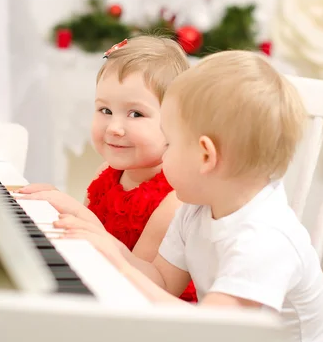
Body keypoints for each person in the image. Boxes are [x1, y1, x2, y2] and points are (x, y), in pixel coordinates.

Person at [57, 50, 323, 342]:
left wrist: (122, 268)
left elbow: (207, 331)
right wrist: (107, 246)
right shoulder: (197, 207)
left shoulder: (264, 239)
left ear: (205, 156)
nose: (164, 153)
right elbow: (161, 282)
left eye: (170, 142)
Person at [18, 35, 197, 302]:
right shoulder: (106, 172)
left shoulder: (173, 201)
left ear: (176, 122)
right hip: (102, 289)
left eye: (136, 114)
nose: (114, 127)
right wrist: (55, 210)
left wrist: (80, 215)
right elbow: (84, 235)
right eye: (105, 110)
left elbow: (147, 285)